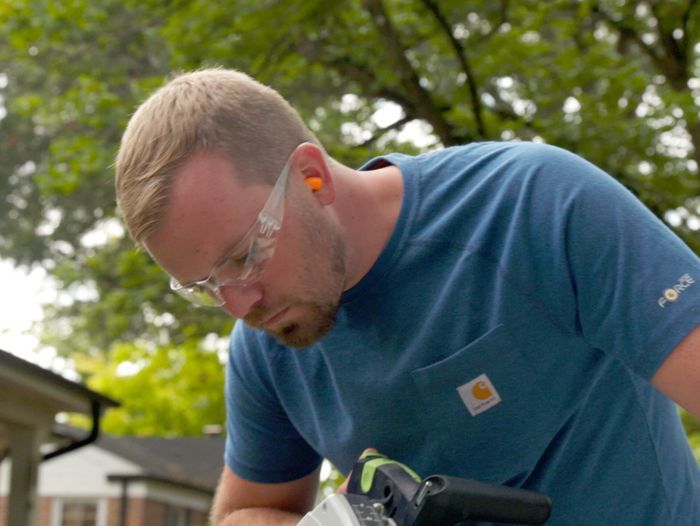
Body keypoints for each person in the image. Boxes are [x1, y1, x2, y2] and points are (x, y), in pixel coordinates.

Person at [115, 68, 700, 526]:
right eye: (205, 287)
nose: (239, 305)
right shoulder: (266, 347)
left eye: (243, 257)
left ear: (312, 177)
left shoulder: (533, 206)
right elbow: (242, 511)